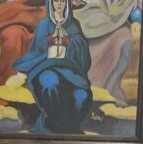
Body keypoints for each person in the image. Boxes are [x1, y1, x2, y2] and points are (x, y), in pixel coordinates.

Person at [13, 0, 93, 133]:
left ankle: (63, 128)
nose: (59, 4)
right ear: (51, 3)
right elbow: (37, 50)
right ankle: (59, 128)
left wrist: (69, 42)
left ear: (67, 3)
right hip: (45, 67)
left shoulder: (73, 25)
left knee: (82, 95)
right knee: (49, 81)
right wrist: (49, 42)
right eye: (56, 1)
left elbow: (83, 55)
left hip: (71, 72)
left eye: (63, 1)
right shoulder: (44, 24)